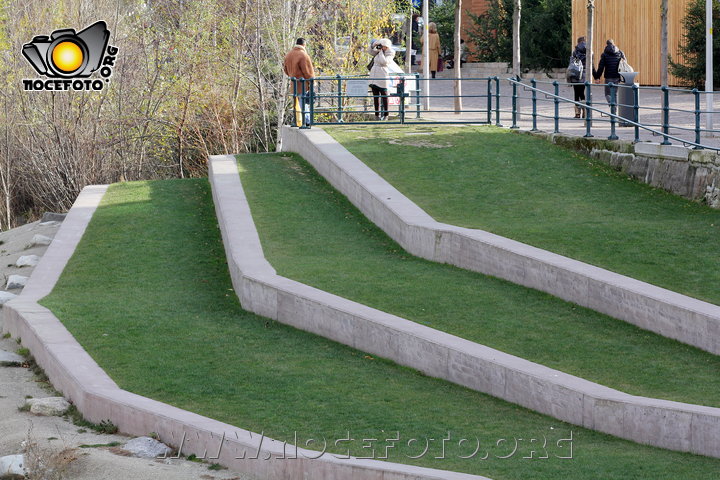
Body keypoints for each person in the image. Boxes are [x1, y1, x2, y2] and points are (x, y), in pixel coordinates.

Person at [283, 38, 315, 126]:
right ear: (304, 45)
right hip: (303, 83)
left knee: (297, 103)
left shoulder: (289, 55)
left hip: (294, 83)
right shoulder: (303, 55)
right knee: (304, 102)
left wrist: (292, 75)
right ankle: (307, 121)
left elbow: (285, 69)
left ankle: (299, 121)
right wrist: (312, 82)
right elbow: (308, 71)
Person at [368, 38, 402, 121]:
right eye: (381, 46)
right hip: (374, 74)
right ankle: (377, 115)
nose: (382, 48)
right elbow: (370, 52)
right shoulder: (378, 51)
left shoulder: (390, 52)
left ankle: (386, 114)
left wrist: (380, 53)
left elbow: (384, 62)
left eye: (384, 46)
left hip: (382, 74)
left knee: (384, 95)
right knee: (375, 96)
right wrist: (374, 45)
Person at [592, 39, 626, 104]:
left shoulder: (604, 54)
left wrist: (597, 77)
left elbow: (601, 67)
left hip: (608, 77)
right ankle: (614, 110)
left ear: (607, 44)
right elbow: (625, 64)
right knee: (614, 94)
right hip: (617, 76)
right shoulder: (620, 53)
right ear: (614, 44)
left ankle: (613, 106)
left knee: (607, 94)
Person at [570, 36, 587, 118]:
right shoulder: (589, 51)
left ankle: (577, 113)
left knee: (576, 93)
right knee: (582, 93)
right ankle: (585, 111)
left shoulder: (575, 52)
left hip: (575, 75)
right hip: (584, 75)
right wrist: (596, 75)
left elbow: (572, 64)